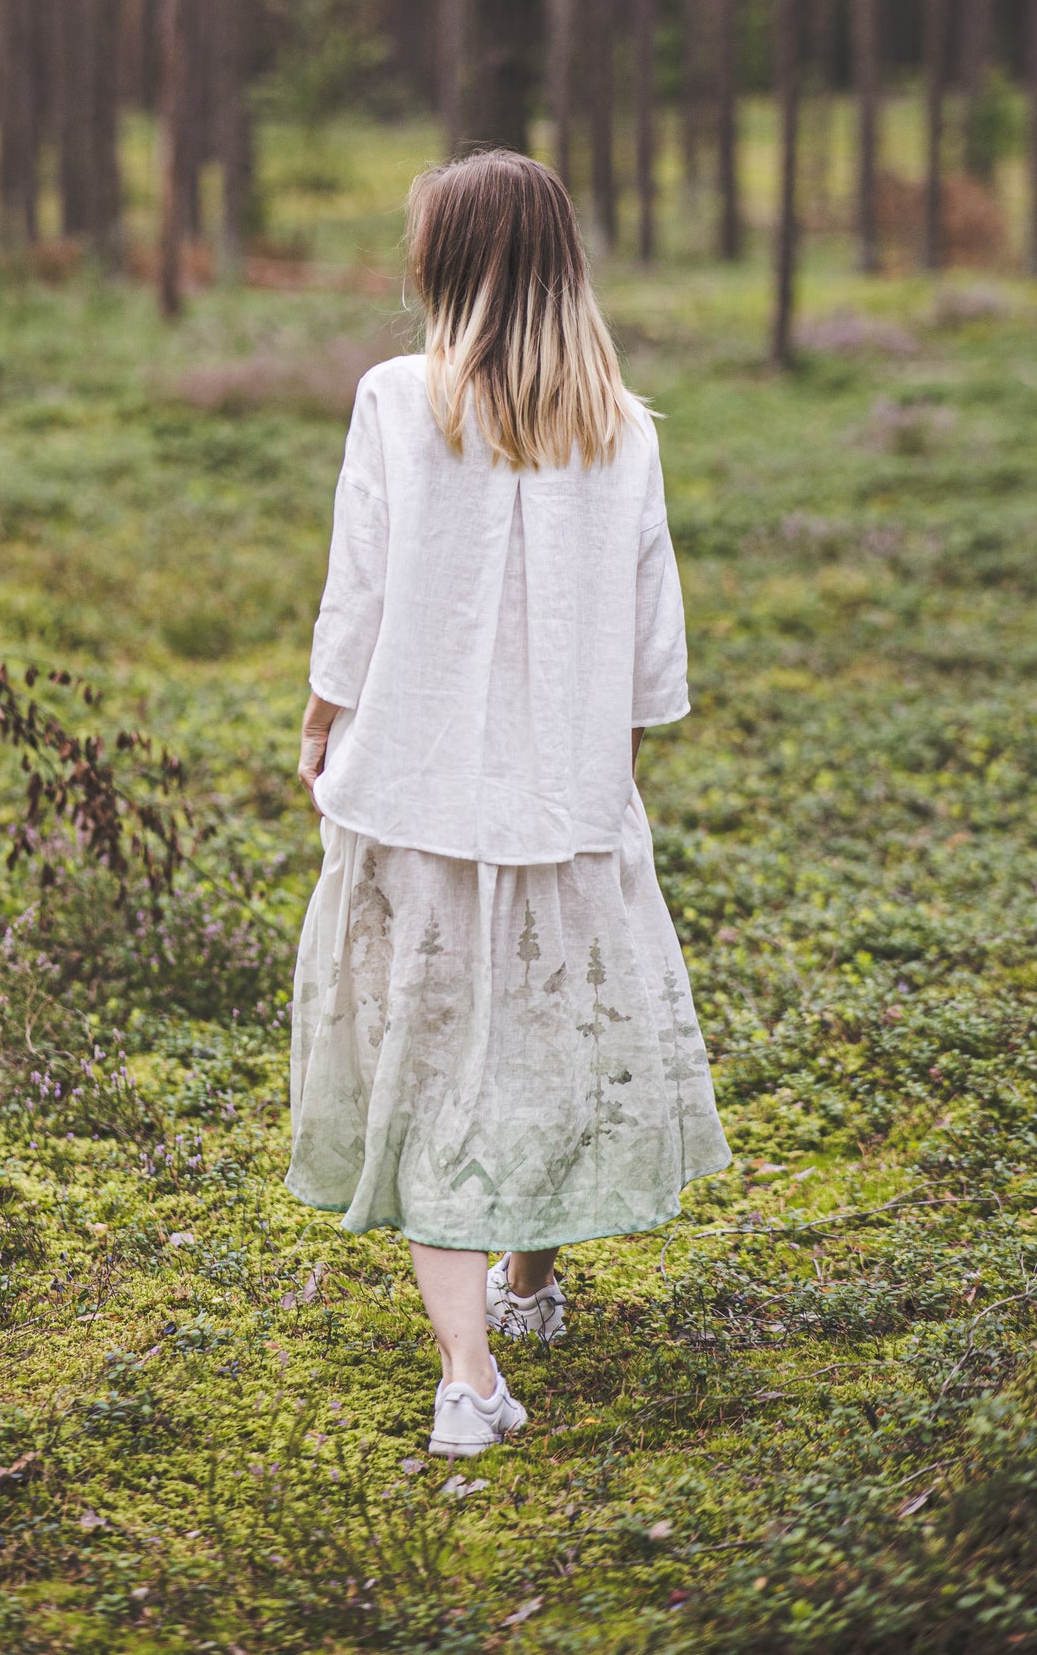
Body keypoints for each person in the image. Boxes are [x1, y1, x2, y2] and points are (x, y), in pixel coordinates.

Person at [288, 149, 729, 1459]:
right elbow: (653, 637)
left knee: (434, 1057)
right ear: (559, 264)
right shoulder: (624, 427)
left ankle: (470, 1377)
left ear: (446, 263)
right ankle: (524, 1289)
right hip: (565, 794)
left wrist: (322, 714)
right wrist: (616, 759)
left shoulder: (393, 400)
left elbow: (357, 585)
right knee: (546, 1035)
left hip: (417, 790)